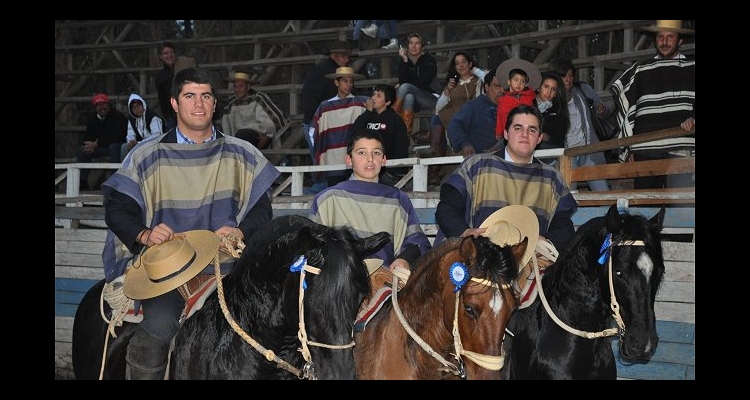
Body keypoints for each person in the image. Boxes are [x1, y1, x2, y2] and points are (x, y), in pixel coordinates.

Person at [101, 67, 280, 380]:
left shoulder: (242, 153)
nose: (199, 104)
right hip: (167, 269)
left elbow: (262, 211)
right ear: (174, 103)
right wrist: (144, 233)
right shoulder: (146, 154)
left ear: (214, 104)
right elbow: (117, 209)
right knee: (158, 328)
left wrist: (241, 231)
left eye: (206, 96)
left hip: (229, 265)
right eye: (190, 96)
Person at [435, 105, 578, 252]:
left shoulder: (552, 178)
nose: (525, 134)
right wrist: (465, 233)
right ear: (505, 134)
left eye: (532, 130)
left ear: (539, 138)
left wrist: (547, 240)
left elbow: (564, 227)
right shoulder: (476, 166)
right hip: (479, 257)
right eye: (518, 128)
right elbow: (447, 208)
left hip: (531, 263)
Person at [309, 129, 431, 272]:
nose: (370, 159)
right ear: (349, 160)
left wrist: (404, 259)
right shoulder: (328, 199)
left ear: (384, 160)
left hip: (385, 282)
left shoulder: (397, 200)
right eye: (361, 152)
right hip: (339, 282)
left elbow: (417, 243)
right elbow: (311, 247)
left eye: (376, 153)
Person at [610, 20, 695, 189]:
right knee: (645, 203)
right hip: (645, 148)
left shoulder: (692, 67)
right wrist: (630, 145)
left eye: (670, 37)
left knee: (680, 202)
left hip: (680, 147)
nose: (664, 41)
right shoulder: (640, 69)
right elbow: (627, 107)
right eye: (660, 37)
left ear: (680, 41)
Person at [548, 57, 610, 191]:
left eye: (570, 75)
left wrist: (601, 111)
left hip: (589, 152)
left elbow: (605, 112)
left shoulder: (583, 89)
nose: (568, 79)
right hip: (566, 157)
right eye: (563, 76)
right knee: (569, 198)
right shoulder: (549, 97)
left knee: (604, 194)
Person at [310, 66, 369, 188]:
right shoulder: (325, 107)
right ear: (336, 82)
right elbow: (313, 131)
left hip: (355, 157)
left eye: (351, 81)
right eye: (345, 81)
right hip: (333, 158)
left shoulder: (361, 103)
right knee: (335, 193)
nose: (348, 85)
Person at [301, 40, 357, 164]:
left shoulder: (342, 73)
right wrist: (318, 119)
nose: (347, 59)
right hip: (318, 122)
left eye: (348, 56)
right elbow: (309, 98)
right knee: (323, 161)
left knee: (332, 161)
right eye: (343, 56)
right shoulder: (321, 72)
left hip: (333, 123)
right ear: (334, 56)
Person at [425, 51, 486, 159]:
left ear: (470, 64)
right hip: (454, 116)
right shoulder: (453, 84)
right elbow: (438, 108)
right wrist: (447, 90)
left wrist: (475, 70)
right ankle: (434, 149)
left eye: (463, 62)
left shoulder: (478, 81)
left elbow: (489, 79)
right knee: (437, 117)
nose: (461, 65)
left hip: (472, 116)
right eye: (457, 63)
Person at [353, 84, 410, 186]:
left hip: (387, 172)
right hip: (366, 169)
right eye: (373, 95)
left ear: (387, 102)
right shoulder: (367, 117)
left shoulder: (395, 119)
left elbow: (402, 146)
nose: (373, 98)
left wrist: (392, 171)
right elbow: (355, 132)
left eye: (378, 96)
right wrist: (368, 112)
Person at [217, 71, 289, 149]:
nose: (237, 90)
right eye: (235, 86)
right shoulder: (231, 104)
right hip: (238, 140)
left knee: (243, 135)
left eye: (241, 86)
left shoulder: (258, 99)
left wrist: (268, 136)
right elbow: (226, 126)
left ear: (248, 86)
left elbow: (273, 121)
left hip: (259, 137)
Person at [446, 67, 504, 158]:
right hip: (480, 162)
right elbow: (454, 125)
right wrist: (465, 143)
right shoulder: (474, 106)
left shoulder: (514, 108)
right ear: (487, 87)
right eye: (497, 86)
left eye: (505, 87)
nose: (502, 90)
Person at [390, 33, 440, 134]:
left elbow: (422, 83)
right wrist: (404, 60)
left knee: (405, 87)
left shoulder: (429, 61)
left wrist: (405, 85)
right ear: (407, 46)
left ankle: (392, 113)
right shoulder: (406, 61)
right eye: (411, 43)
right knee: (408, 97)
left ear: (422, 46)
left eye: (417, 43)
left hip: (431, 99)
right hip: (415, 101)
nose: (413, 46)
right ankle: (406, 131)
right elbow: (403, 81)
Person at [76, 93, 128, 189]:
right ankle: (82, 182)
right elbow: (88, 136)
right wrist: (89, 145)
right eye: (99, 105)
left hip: (117, 146)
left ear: (108, 105)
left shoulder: (117, 116)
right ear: (95, 107)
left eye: (104, 104)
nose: (102, 107)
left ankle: (115, 180)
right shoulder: (92, 119)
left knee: (114, 147)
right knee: (83, 150)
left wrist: (97, 144)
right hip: (102, 147)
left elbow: (118, 136)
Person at [494, 58, 541, 140]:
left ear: (526, 84)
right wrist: (499, 132)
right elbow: (499, 117)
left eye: (522, 82)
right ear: (509, 81)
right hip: (507, 134)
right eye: (516, 80)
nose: (519, 84)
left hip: (525, 132)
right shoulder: (503, 100)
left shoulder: (529, 97)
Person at [120, 93, 164, 162]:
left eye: (138, 105)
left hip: (155, 146)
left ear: (143, 105)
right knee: (124, 147)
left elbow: (157, 136)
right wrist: (131, 142)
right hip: (140, 145)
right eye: (134, 107)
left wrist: (139, 143)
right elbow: (130, 134)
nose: (137, 109)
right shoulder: (131, 120)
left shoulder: (153, 117)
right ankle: (126, 170)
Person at [533, 72, 568, 150]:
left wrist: (547, 137)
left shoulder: (558, 110)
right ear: (538, 88)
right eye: (546, 86)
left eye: (553, 89)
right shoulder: (527, 103)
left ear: (556, 93)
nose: (549, 92)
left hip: (550, 152)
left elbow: (559, 138)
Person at [155, 42, 177, 131]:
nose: (169, 55)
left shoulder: (184, 69)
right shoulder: (160, 76)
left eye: (171, 52)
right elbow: (162, 99)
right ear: (161, 56)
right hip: (171, 116)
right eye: (166, 53)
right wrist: (168, 115)